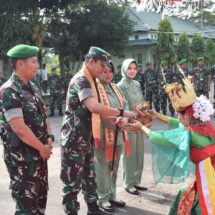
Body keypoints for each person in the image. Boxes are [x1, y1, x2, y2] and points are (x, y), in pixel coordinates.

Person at [60, 47, 136, 215]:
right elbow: (93, 105)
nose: (104, 69)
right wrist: (122, 112)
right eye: (102, 65)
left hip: (86, 138)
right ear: (91, 61)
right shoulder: (81, 79)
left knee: (89, 177)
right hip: (74, 138)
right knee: (72, 182)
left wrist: (111, 120)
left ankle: (93, 209)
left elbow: (93, 113)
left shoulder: (92, 80)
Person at [135, 74, 215, 214]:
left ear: (187, 116)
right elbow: (178, 123)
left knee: (197, 205)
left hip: (209, 179)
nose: (178, 117)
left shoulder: (189, 133)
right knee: (185, 194)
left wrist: (141, 127)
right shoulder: (204, 125)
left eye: (179, 114)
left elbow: (160, 138)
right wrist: (158, 115)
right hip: (210, 172)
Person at [0, 44, 53, 214]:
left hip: (39, 155)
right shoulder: (9, 91)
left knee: (39, 201)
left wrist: (50, 137)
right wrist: (42, 148)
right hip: (22, 159)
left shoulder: (33, 87)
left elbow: (44, 116)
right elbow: (19, 128)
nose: (37, 66)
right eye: (34, 62)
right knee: (25, 206)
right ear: (20, 64)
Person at [94, 62, 128, 213]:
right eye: (104, 71)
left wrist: (124, 120)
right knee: (102, 166)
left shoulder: (116, 88)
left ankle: (112, 194)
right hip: (103, 133)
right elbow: (95, 111)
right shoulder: (95, 89)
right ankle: (102, 198)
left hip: (118, 132)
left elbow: (124, 108)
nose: (107, 74)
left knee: (114, 165)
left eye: (110, 71)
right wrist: (113, 119)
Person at [117, 58, 147, 195]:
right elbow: (123, 106)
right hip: (128, 125)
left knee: (139, 153)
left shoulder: (137, 84)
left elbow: (141, 101)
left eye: (134, 68)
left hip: (139, 123)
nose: (132, 71)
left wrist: (144, 111)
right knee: (129, 154)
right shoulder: (120, 86)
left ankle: (136, 181)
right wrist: (134, 113)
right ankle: (128, 183)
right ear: (124, 69)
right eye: (129, 68)